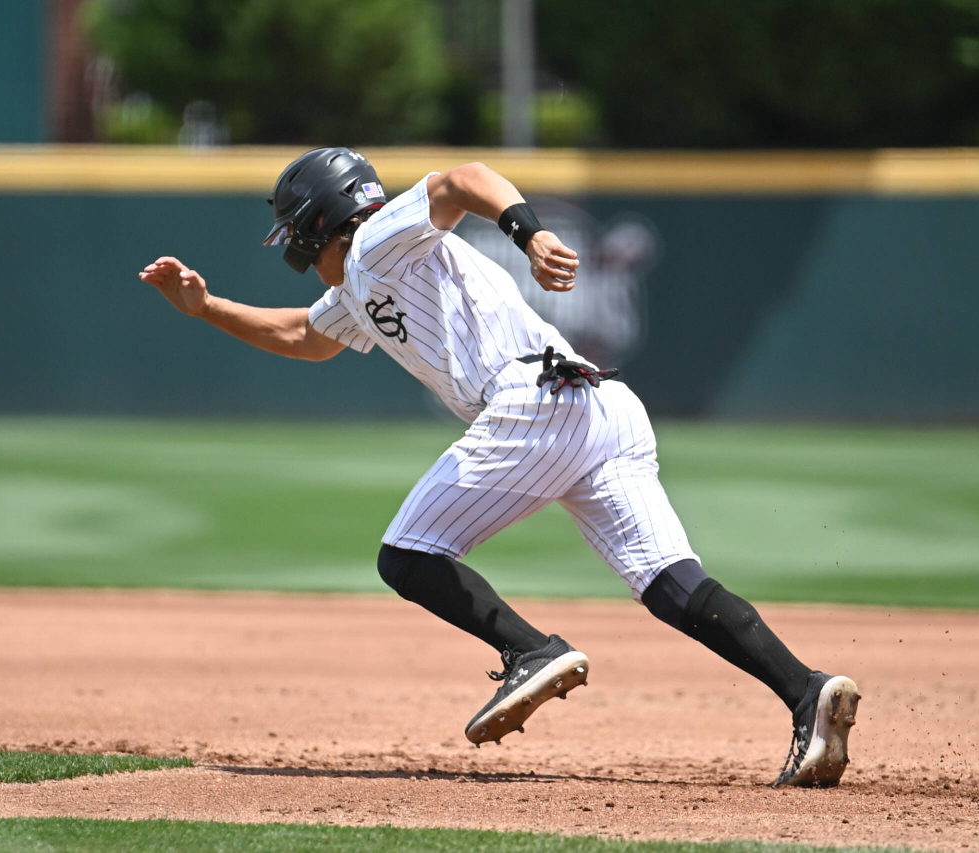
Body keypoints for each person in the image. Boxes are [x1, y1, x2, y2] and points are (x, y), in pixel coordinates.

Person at [138, 147, 860, 787]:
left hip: (533, 404)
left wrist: (530, 231)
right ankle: (807, 691)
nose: (294, 252)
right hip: (597, 406)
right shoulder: (362, 281)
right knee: (675, 586)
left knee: (407, 554)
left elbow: (462, 179)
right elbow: (306, 335)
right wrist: (207, 307)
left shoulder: (375, 241)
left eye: (294, 237)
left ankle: (530, 651)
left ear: (316, 226)